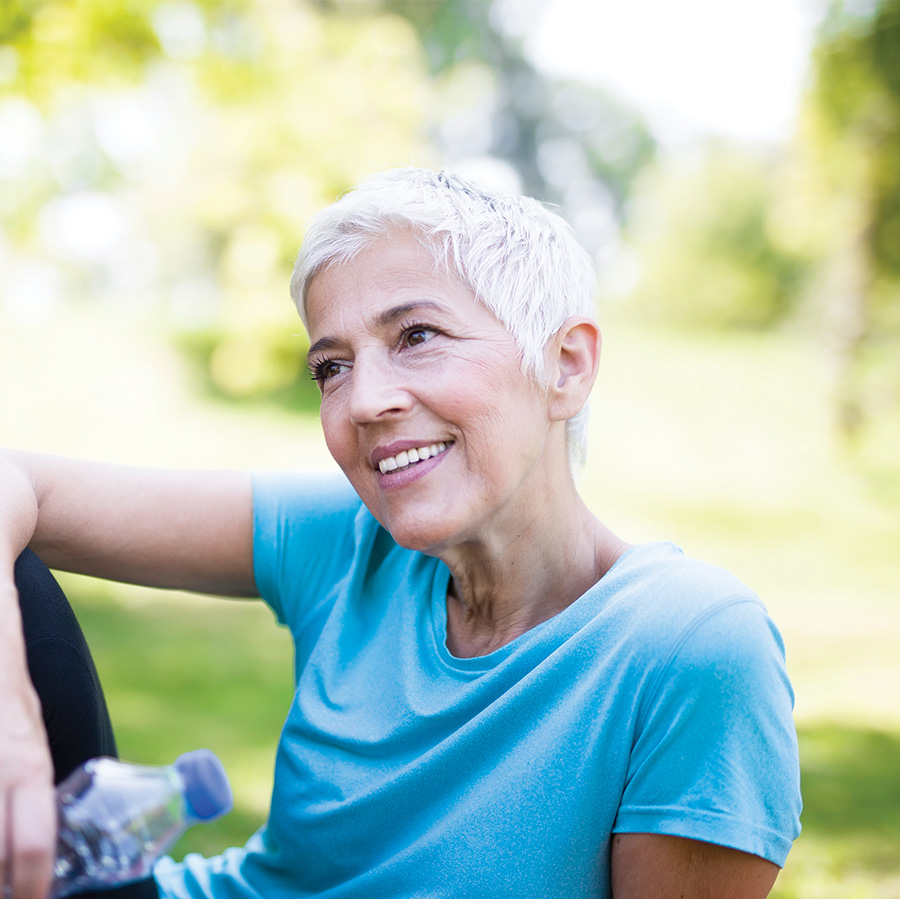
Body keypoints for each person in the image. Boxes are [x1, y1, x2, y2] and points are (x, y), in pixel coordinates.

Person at [0, 167, 801, 899]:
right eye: (331, 366)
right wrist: (13, 723)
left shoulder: (691, 644)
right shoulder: (347, 542)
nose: (363, 401)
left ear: (566, 365)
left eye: (416, 336)